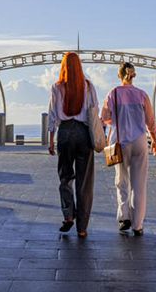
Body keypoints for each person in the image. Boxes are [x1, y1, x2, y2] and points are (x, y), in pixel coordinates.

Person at [102, 62, 156, 236]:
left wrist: (117, 122)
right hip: (140, 141)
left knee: (121, 181)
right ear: (133, 75)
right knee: (139, 184)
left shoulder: (113, 93)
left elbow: (105, 117)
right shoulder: (142, 95)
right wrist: (155, 142)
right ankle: (138, 225)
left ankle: (124, 217)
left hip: (121, 142)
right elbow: (150, 122)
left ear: (120, 75)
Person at [48, 52, 98, 238]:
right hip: (84, 133)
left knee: (65, 177)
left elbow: (52, 114)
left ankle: (68, 214)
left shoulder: (57, 87)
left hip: (65, 133)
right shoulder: (88, 86)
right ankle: (82, 227)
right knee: (84, 183)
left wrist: (51, 140)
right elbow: (95, 110)